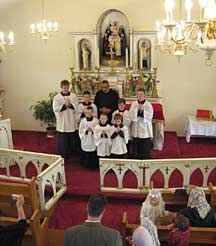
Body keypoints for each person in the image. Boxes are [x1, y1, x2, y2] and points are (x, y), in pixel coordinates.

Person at [53, 80, 79, 159]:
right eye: (64, 87)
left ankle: (72, 153)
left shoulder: (73, 96)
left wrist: (70, 105)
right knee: (63, 139)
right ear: (61, 87)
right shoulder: (57, 97)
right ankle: (63, 154)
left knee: (72, 138)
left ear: (69, 87)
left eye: (67, 87)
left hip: (71, 120)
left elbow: (77, 107)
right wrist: (64, 105)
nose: (66, 89)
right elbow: (55, 109)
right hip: (63, 121)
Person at [129, 88, 153, 159]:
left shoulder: (148, 104)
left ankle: (145, 158)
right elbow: (130, 114)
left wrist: (142, 111)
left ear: (144, 95)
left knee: (144, 145)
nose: (139, 96)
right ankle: (136, 157)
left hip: (144, 128)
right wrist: (137, 111)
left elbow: (150, 115)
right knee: (136, 145)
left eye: (141, 94)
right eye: (138, 94)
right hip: (136, 127)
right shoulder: (134, 103)